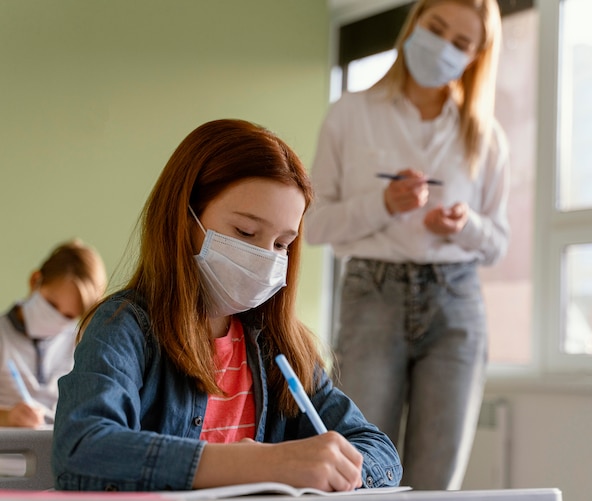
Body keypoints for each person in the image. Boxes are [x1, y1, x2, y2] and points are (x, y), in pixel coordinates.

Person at [51, 119, 402, 492]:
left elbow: (380, 454)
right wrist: (263, 463)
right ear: (185, 218)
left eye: (282, 244)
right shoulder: (125, 327)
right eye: (246, 232)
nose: (265, 258)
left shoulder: (280, 348)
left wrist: (333, 470)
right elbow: (81, 449)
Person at [304, 0, 509, 491]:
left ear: (477, 55)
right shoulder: (349, 114)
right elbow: (313, 225)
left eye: (461, 43)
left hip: (456, 304)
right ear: (413, 24)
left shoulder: (486, 137)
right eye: (436, 28)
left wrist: (465, 227)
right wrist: (383, 204)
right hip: (371, 294)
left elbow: (498, 243)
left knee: (438, 482)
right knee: (358, 470)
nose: (443, 47)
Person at [0, 239, 107, 428]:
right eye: (51, 305)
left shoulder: (81, 345)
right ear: (35, 281)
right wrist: (7, 417)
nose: (56, 320)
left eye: (68, 316)